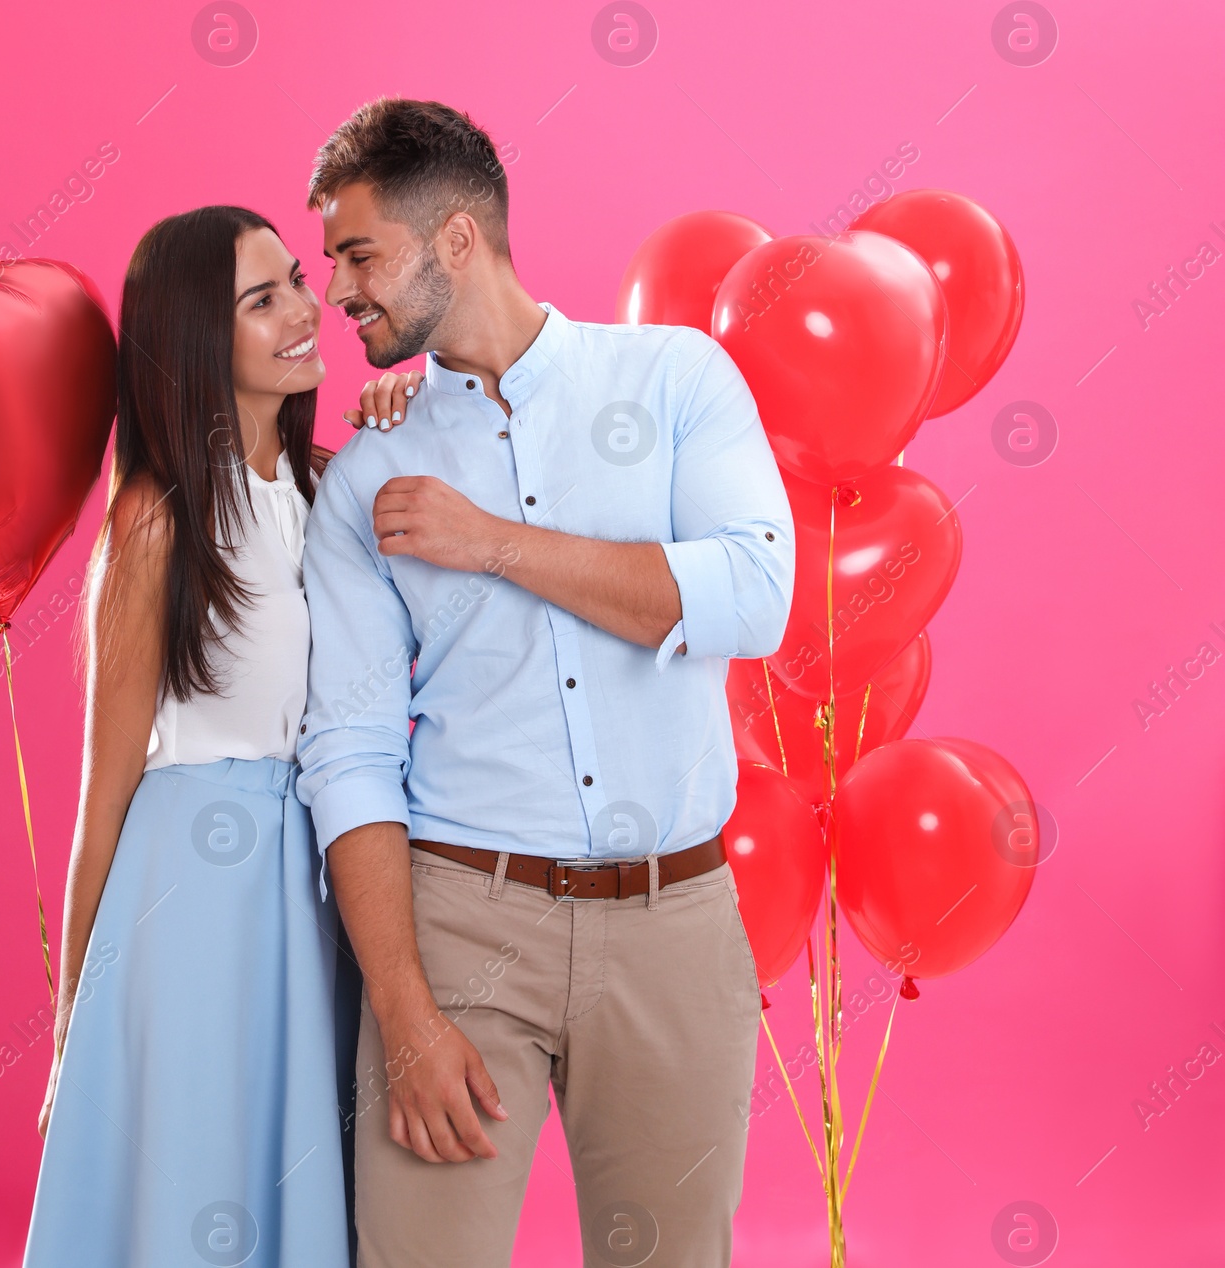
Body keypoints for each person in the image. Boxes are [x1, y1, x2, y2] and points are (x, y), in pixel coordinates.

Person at [295, 99, 797, 1267]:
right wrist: (405, 1012)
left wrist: (496, 544)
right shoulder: (371, 466)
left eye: (358, 254)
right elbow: (350, 751)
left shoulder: (674, 379)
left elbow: (751, 595)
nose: (339, 290)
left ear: (456, 240)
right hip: (462, 923)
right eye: (330, 262)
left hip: (677, 925)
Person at [22, 204, 387, 1267]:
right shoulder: (159, 516)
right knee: (191, 1184)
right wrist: (69, 1028)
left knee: (295, 1180)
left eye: (295, 281)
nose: (300, 310)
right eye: (258, 298)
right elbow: (105, 794)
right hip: (187, 891)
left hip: (312, 880)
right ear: (193, 335)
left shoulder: (328, 489)